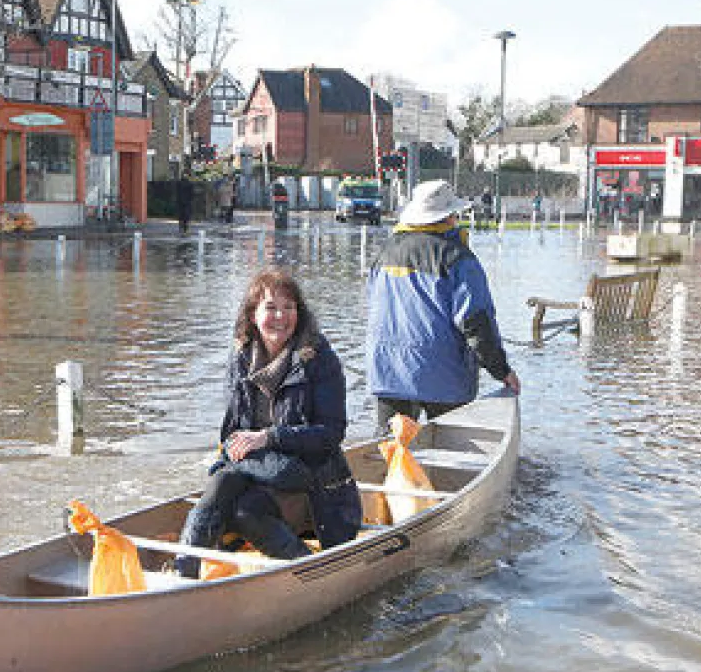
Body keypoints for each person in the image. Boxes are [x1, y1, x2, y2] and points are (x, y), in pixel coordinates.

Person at [175, 269, 363, 578]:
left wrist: (271, 437)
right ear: (252, 314)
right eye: (271, 307)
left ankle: (311, 574)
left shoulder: (320, 358)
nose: (281, 316)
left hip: (311, 482)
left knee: (241, 507)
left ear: (299, 313)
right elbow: (232, 431)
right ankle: (185, 574)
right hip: (260, 473)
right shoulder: (240, 357)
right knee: (226, 488)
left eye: (289, 307)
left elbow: (332, 434)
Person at [367, 180, 520, 427]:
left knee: (391, 451)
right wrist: (501, 371)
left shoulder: (384, 253)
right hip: (445, 376)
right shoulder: (458, 258)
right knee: (453, 451)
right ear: (449, 217)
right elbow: (476, 323)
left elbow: (375, 308)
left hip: (388, 372)